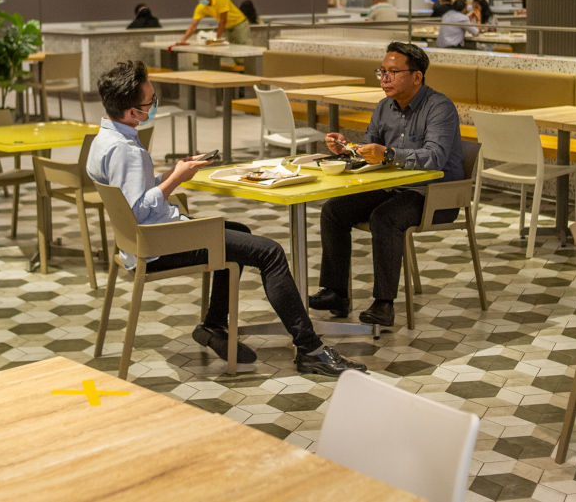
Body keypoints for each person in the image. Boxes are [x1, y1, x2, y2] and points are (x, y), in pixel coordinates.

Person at [88, 60, 368, 377]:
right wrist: (175, 179)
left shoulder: (104, 140)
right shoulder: (128, 150)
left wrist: (169, 172)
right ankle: (311, 350)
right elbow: (139, 209)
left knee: (237, 232)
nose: (153, 106)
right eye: (150, 103)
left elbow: (130, 198)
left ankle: (213, 325)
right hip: (158, 246)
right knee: (270, 252)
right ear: (130, 112)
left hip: (139, 242)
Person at [309, 43, 465, 326]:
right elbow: (370, 149)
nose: (384, 78)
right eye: (382, 71)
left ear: (417, 77)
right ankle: (337, 292)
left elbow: (436, 157)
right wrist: (348, 149)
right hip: (393, 187)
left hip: (435, 195)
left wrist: (389, 154)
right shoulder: (384, 107)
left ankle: (383, 304)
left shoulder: (439, 107)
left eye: (393, 72)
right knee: (334, 210)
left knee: (385, 218)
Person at [177, 0, 251, 45]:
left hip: (240, 24)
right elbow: (193, 25)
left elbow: (223, 20)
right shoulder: (201, 7)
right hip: (228, 28)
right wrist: (183, 40)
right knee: (236, 54)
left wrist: (216, 39)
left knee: (245, 48)